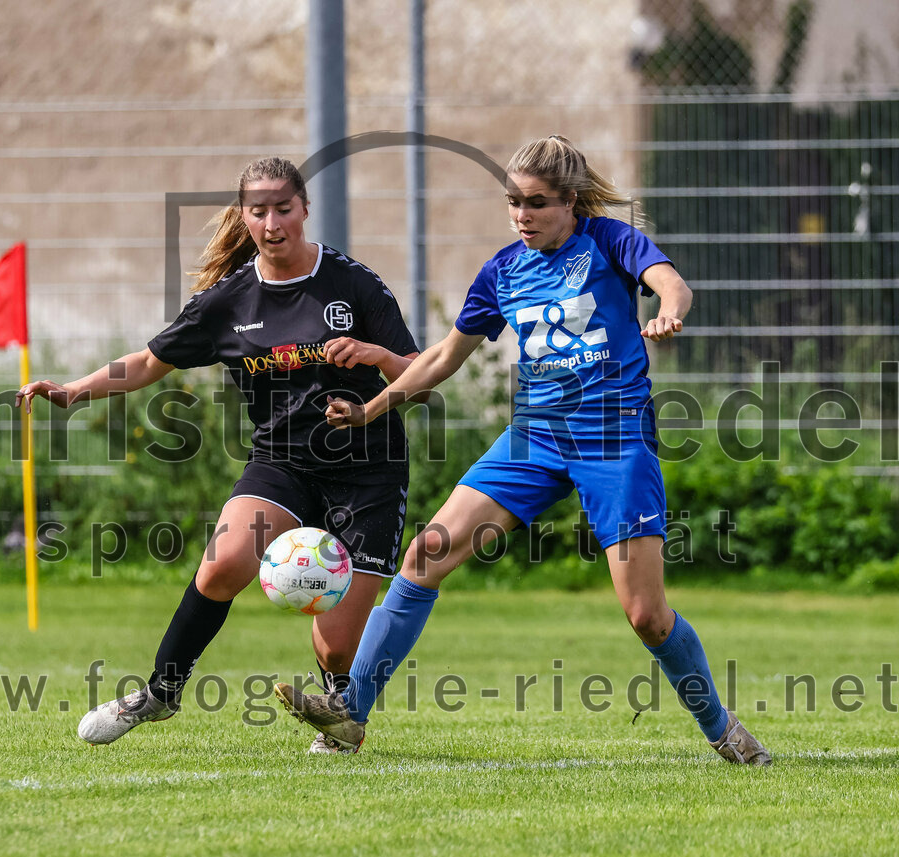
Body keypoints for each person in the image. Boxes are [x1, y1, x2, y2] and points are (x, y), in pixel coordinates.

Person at [274, 135, 771, 766]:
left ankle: (721, 728)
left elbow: (671, 284)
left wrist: (669, 312)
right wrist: (371, 409)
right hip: (534, 437)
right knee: (426, 555)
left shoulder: (610, 241)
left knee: (646, 615)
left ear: (570, 202)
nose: (522, 214)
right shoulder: (502, 271)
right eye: (513, 201)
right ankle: (350, 714)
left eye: (536, 203)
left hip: (613, 438)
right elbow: (441, 359)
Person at [16, 157, 420, 754]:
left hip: (368, 471)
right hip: (282, 462)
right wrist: (76, 388)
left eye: (284, 208)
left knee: (334, 643)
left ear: (305, 210)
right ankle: (159, 693)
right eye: (259, 211)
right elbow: (151, 361)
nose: (273, 221)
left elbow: (418, 374)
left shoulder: (354, 284)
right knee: (224, 562)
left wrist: (373, 356)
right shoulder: (227, 302)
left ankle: (340, 716)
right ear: (244, 218)